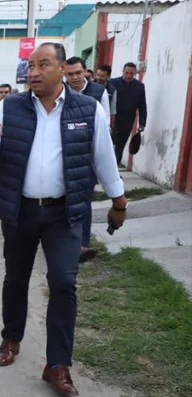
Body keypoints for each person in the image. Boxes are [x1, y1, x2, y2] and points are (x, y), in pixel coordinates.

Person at [0, 43, 128, 397]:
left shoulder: (87, 109)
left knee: (63, 283)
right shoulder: (9, 107)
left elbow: (103, 159)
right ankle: (11, 338)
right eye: (30, 65)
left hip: (64, 213)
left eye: (43, 64)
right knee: (15, 278)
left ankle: (57, 364)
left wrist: (118, 201)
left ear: (62, 69)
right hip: (19, 210)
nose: (33, 72)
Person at [64, 57, 111, 263]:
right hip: (66, 154)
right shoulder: (61, 92)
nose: (74, 77)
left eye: (77, 73)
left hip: (88, 156)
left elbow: (105, 126)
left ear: (85, 72)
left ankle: (82, 244)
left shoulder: (99, 92)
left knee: (83, 200)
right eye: (70, 74)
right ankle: (62, 240)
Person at [109, 62, 148, 167]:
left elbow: (142, 106)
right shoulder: (112, 83)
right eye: (127, 73)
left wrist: (142, 123)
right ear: (123, 72)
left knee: (120, 146)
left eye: (131, 73)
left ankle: (114, 170)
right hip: (111, 119)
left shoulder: (140, 87)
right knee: (107, 144)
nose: (129, 75)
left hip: (127, 120)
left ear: (135, 73)